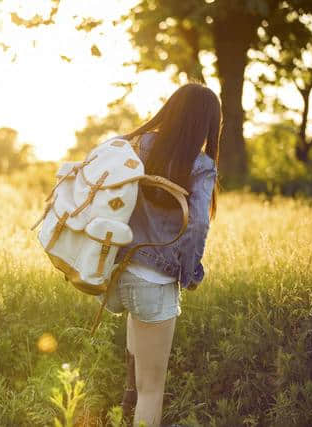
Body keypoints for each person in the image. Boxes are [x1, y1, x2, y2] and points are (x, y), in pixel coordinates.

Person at [101, 83, 221, 427]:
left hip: (118, 274)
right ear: (206, 125)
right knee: (152, 391)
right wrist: (190, 272)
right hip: (154, 282)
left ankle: (126, 410)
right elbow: (197, 224)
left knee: (136, 375)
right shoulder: (200, 164)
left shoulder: (136, 144)